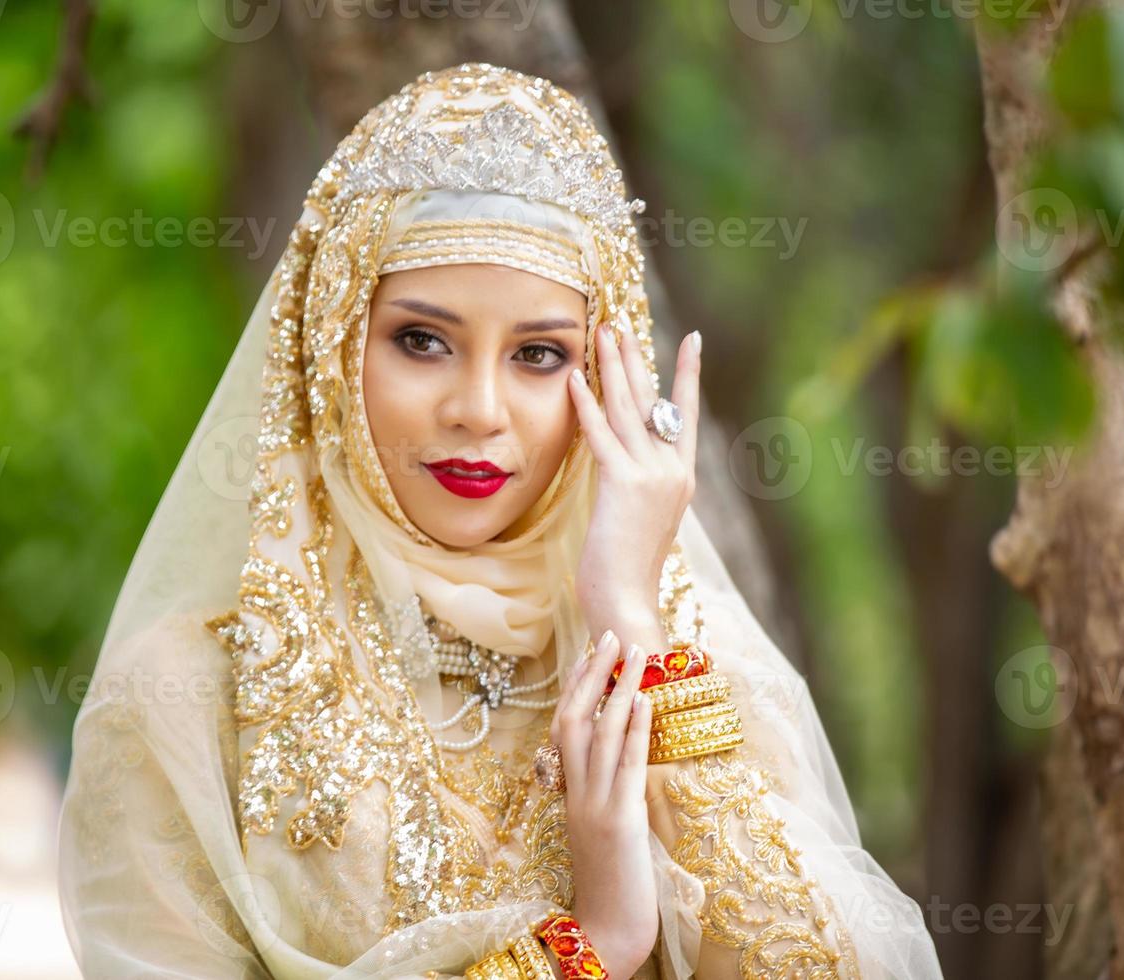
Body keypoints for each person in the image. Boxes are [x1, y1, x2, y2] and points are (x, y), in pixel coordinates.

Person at [57, 62, 943, 980]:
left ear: (602, 380)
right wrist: (583, 949)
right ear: (328, 344)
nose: (479, 408)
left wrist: (632, 625)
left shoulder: (675, 658)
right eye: (422, 340)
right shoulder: (185, 699)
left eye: (539, 355)